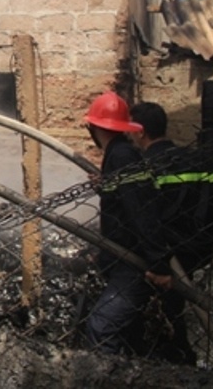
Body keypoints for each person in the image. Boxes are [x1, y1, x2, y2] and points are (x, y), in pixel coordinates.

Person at [129, 101, 213, 365]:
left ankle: (175, 358)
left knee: (163, 311)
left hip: (166, 254)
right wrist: (208, 230)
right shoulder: (197, 159)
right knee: (175, 307)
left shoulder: (145, 167)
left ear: (140, 131)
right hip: (200, 246)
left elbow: (144, 216)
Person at [83, 91, 167, 356]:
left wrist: (159, 264)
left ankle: (104, 375)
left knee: (101, 327)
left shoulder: (121, 156)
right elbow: (125, 200)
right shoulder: (120, 153)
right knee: (129, 335)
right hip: (122, 259)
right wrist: (105, 188)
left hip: (132, 263)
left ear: (93, 128)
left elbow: (141, 209)